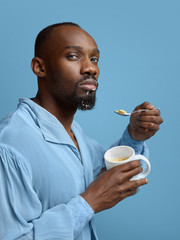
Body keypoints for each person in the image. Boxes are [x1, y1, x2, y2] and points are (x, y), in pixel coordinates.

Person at [0, 22, 163, 240]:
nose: (91, 68)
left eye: (94, 59)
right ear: (40, 67)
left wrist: (134, 137)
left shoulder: (74, 134)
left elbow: (109, 178)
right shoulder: (10, 146)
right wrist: (88, 204)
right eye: (73, 56)